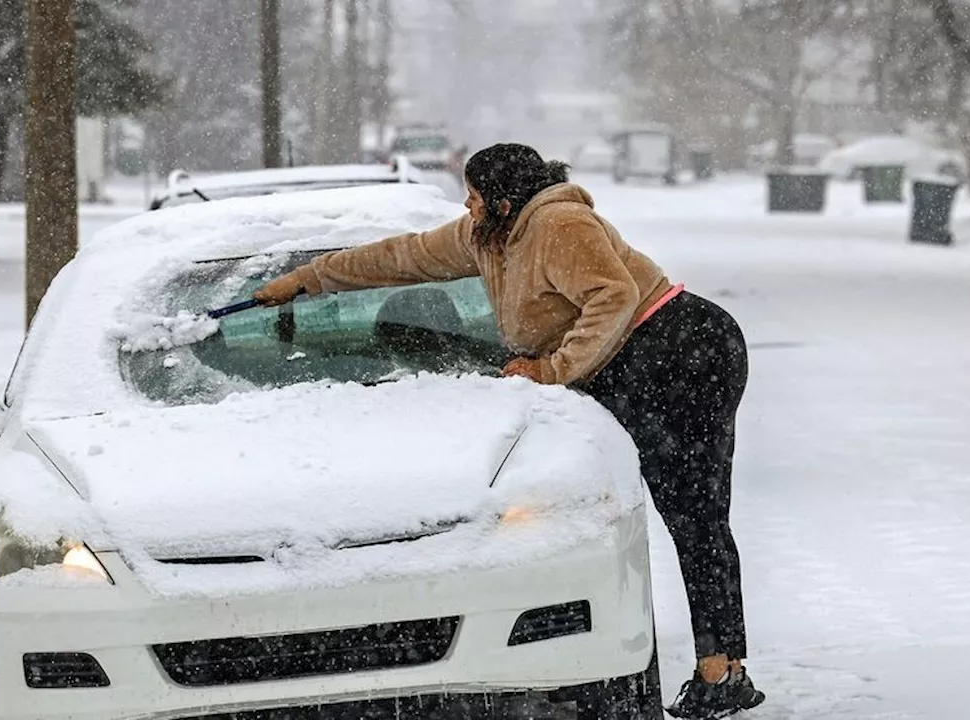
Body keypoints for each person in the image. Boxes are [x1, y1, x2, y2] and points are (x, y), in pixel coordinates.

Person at [254, 143, 765, 719]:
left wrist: (552, 370)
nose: (466, 208)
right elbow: (405, 256)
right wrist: (307, 279)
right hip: (637, 357)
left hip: (677, 349)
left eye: (472, 197)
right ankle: (724, 668)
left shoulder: (558, 222)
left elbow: (613, 295)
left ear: (501, 199)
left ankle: (722, 672)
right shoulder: (488, 235)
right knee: (693, 511)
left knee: (693, 510)